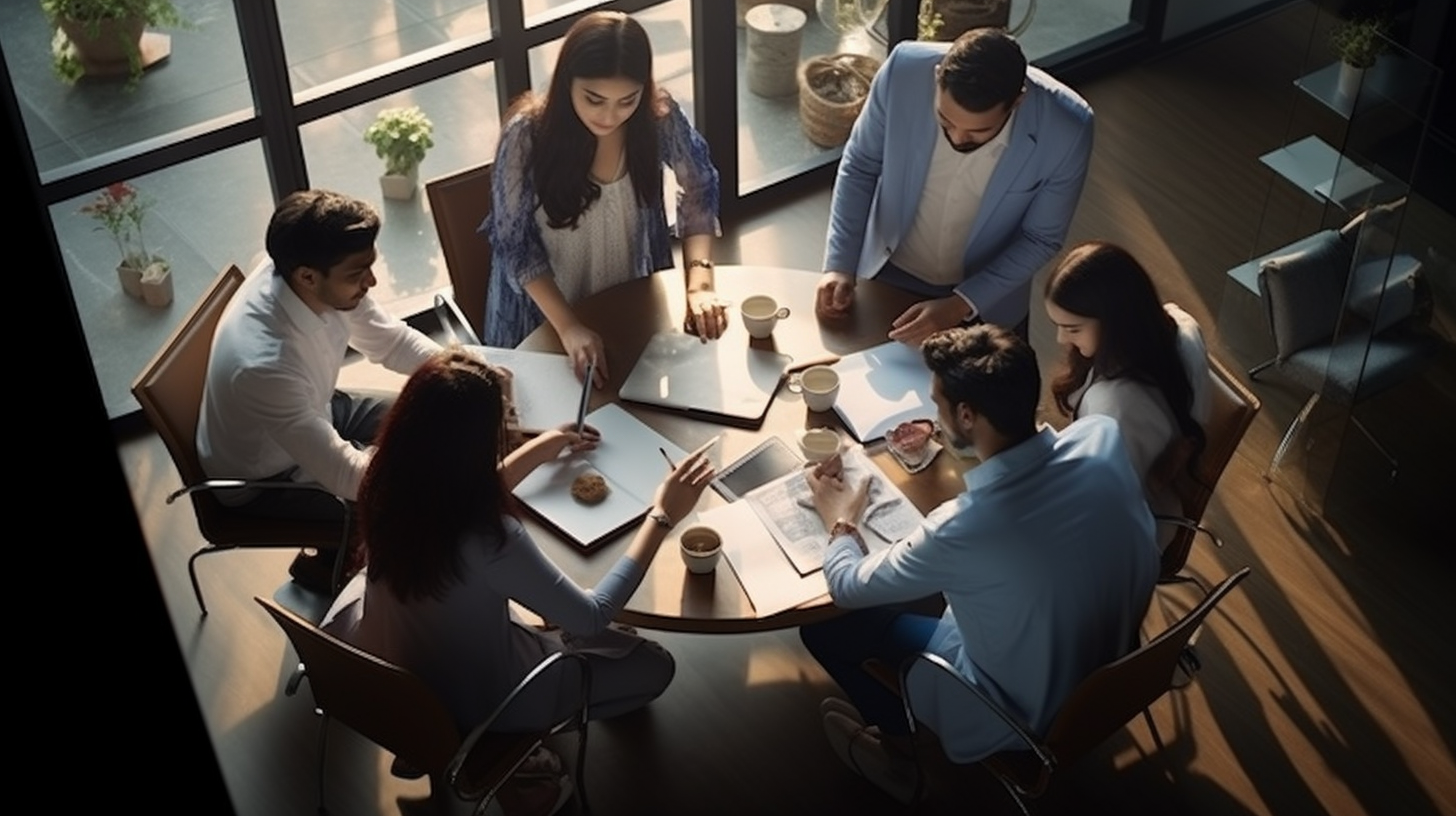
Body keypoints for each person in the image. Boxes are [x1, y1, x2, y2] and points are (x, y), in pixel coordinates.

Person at [322, 349, 715, 813]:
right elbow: (590, 616)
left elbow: (462, 497)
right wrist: (663, 513)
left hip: (393, 670)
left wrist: (543, 446)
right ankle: (504, 752)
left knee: (564, 622)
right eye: (504, 418)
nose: (510, 426)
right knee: (655, 665)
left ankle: (434, 744)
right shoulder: (491, 538)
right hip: (481, 698)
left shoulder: (388, 483)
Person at [798, 325, 1157, 804]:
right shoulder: (1101, 435)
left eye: (937, 403)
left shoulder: (965, 528)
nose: (932, 413)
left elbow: (845, 586)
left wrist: (840, 521)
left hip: (1017, 711)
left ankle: (898, 756)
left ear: (966, 415)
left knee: (825, 629)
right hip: (1111, 662)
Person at [197, 189, 442, 591]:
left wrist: (463, 370)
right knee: (415, 503)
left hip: (316, 408)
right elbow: (347, 473)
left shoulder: (310, 274)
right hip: (266, 478)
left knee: (432, 406)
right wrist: (413, 465)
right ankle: (334, 566)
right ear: (307, 276)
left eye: (370, 266)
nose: (373, 280)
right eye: (358, 273)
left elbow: (391, 342)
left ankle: (340, 550)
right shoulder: (265, 364)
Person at [484, 10, 724, 387]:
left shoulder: (657, 117)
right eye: (594, 99)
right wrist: (570, 328)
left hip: (630, 302)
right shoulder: (526, 136)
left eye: (627, 100)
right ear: (566, 83)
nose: (610, 116)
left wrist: (700, 284)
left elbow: (700, 187)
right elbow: (516, 246)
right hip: (546, 319)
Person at [816, 27, 1093, 347]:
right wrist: (839, 264)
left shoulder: (1068, 129)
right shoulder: (902, 71)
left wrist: (960, 304)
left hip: (986, 300)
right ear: (937, 77)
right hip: (885, 272)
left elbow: (1040, 238)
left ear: (1018, 101)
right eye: (946, 121)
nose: (958, 138)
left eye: (979, 132)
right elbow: (861, 165)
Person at [1044, 240, 1210, 529]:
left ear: (1115, 322)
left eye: (1073, 329)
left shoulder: (1118, 408)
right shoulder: (1176, 326)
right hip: (1136, 498)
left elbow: (1108, 505)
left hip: (1127, 530)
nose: (1061, 339)